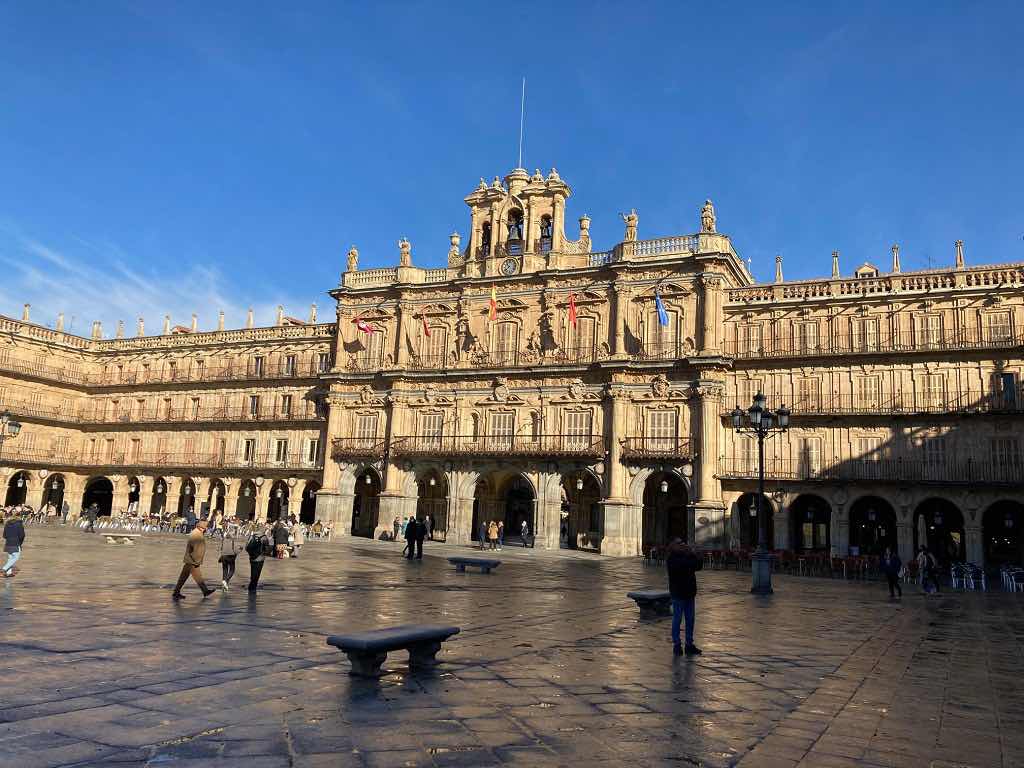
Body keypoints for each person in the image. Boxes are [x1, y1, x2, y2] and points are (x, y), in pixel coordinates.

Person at [665, 538, 703, 656]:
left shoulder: (687, 555)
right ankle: (677, 645)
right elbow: (685, 566)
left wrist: (697, 555)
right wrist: (691, 554)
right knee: (677, 619)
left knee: (690, 620)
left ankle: (689, 644)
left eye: (683, 543)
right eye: (680, 544)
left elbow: (697, 566)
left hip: (689, 593)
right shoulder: (672, 558)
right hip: (678, 594)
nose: (684, 545)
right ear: (674, 546)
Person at [172, 519, 216, 600]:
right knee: (196, 577)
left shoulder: (196, 533)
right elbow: (196, 549)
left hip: (191, 559)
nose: (205, 529)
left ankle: (176, 592)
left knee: (185, 576)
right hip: (193, 560)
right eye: (204, 528)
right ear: (201, 527)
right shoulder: (197, 535)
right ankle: (205, 591)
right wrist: (197, 560)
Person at [245, 524, 271, 592]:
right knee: (257, 573)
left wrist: (251, 553)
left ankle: (251, 585)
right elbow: (267, 549)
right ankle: (253, 586)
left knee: (253, 571)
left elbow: (246, 547)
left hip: (252, 557)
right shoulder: (264, 537)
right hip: (260, 557)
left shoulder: (252, 536)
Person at [2, 509, 26, 578]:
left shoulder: (7, 523)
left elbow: (4, 535)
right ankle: (4, 569)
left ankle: (9, 573)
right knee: (16, 557)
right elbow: (22, 535)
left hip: (8, 543)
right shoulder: (19, 523)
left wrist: (9, 539)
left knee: (10, 558)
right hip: (16, 543)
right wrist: (20, 543)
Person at [219, 522, 239, 592]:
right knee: (232, 570)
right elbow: (235, 549)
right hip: (230, 556)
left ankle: (224, 584)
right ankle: (226, 581)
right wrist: (239, 550)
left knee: (225, 570)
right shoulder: (233, 538)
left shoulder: (224, 538)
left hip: (224, 555)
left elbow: (221, 547)